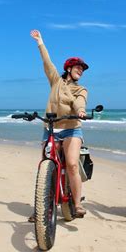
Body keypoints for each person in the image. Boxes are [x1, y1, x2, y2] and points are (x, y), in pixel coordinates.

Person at [30, 29, 88, 218]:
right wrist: (40, 42)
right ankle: (41, 208)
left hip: (72, 130)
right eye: (78, 67)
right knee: (46, 166)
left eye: (82, 69)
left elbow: (80, 101)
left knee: (71, 164)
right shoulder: (56, 81)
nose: (80, 70)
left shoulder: (81, 88)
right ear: (69, 69)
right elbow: (47, 63)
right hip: (51, 129)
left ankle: (77, 204)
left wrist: (80, 111)